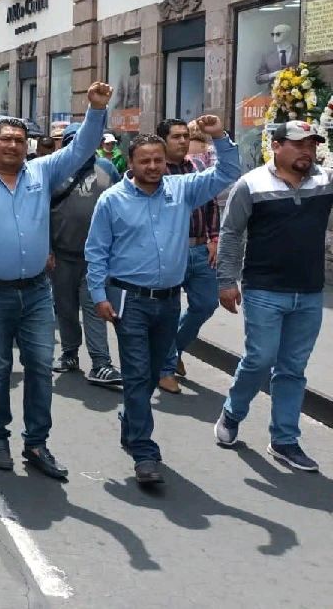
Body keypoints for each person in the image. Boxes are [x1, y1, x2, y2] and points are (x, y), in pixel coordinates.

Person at [0, 82, 112, 480]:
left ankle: (37, 442)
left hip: (35, 291)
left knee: (38, 367)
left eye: (20, 140)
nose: (14, 146)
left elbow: (81, 149)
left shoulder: (40, 173)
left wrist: (96, 110)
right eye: (6, 140)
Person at [85, 118, 238, 485]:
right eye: (145, 161)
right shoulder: (112, 200)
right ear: (132, 163)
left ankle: (130, 422)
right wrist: (97, 295)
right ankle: (144, 451)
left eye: (158, 160)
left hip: (169, 303)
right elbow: (96, 251)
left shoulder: (181, 189)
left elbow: (229, 170)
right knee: (137, 374)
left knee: (153, 373)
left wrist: (218, 135)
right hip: (130, 301)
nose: (152, 167)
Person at [214, 121, 333, 471]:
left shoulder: (326, 181)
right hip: (263, 290)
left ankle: (284, 440)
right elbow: (232, 233)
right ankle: (233, 413)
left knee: (293, 369)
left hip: (310, 292)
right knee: (259, 359)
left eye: (312, 144)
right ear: (276, 145)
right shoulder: (250, 184)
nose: (307, 151)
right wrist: (226, 281)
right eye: (299, 144)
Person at [48, 123, 122, 386]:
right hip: (61, 255)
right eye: (72, 141)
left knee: (94, 307)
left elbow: (120, 207)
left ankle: (101, 363)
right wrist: (46, 249)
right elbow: (39, 212)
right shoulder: (53, 171)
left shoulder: (108, 169)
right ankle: (69, 354)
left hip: (96, 259)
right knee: (65, 308)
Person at [155, 118, 222, 394]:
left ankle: (174, 350)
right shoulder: (155, 171)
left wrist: (215, 238)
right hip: (169, 250)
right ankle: (165, 369)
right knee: (168, 310)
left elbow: (212, 204)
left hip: (199, 248)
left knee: (206, 303)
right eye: (176, 137)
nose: (183, 141)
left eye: (185, 136)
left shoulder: (197, 167)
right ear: (162, 141)